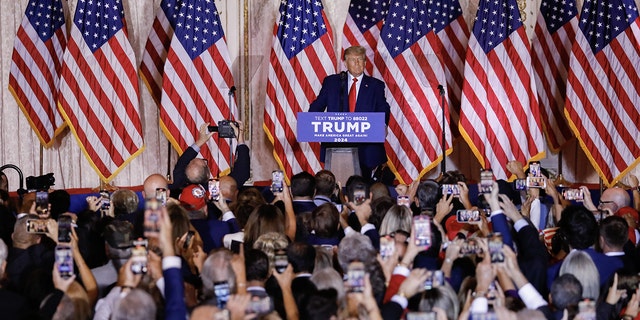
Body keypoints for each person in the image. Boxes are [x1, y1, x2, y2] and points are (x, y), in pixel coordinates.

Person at [309, 46, 391, 181]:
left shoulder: (376, 85)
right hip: (336, 147)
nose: (357, 63)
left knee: (364, 187)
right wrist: (311, 121)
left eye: (360, 60)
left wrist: (382, 124)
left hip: (367, 149)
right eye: (353, 60)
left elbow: (383, 107)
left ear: (365, 63)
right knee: (337, 186)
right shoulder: (332, 82)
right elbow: (318, 105)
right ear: (345, 63)